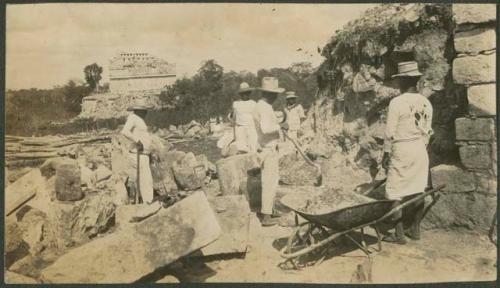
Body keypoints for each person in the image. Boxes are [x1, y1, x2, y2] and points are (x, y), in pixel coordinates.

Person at [381, 61, 433, 244]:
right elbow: (428, 132)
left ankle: (399, 233)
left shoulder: (397, 102)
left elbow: (389, 133)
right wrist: (420, 147)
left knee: (394, 191)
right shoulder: (426, 103)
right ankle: (415, 230)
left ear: (402, 81)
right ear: (416, 80)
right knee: (419, 189)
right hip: (420, 149)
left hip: (402, 148)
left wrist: (386, 154)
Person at [253, 77, 288, 226]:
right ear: (270, 94)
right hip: (268, 148)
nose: (276, 97)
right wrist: (281, 126)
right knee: (269, 182)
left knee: (271, 181)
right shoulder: (264, 107)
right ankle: (266, 216)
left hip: (266, 147)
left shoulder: (260, 105)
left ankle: (270, 210)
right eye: (275, 94)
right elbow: (266, 129)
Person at [121, 98, 155, 204]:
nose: (146, 112)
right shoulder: (133, 118)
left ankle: (143, 200)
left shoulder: (139, 119)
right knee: (146, 179)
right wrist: (138, 141)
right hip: (138, 154)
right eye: (144, 110)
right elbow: (125, 131)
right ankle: (147, 202)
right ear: (138, 110)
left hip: (143, 154)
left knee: (143, 179)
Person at [231, 82, 258, 154]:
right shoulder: (236, 104)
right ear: (240, 94)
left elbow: (256, 118)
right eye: (243, 93)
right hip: (240, 129)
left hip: (251, 128)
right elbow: (233, 119)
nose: (245, 95)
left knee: (253, 148)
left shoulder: (253, 103)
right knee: (241, 149)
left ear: (249, 93)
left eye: (247, 93)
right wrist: (234, 135)